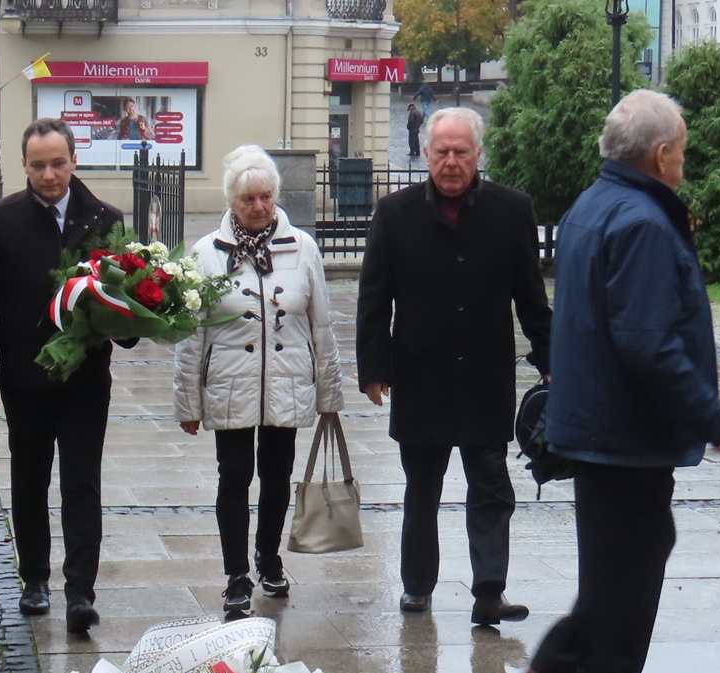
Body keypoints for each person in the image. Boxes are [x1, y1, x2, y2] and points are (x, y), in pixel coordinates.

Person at [527, 89, 720, 673]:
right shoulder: (643, 221)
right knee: (630, 567)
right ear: (659, 154)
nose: (684, 162)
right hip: (626, 430)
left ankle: (570, 670)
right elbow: (647, 342)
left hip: (599, 423)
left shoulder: (592, 205)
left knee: (621, 561)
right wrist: (713, 418)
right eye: (681, 151)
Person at [356, 106, 551, 626]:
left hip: (486, 376)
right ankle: (417, 586)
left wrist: (550, 359)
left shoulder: (512, 211)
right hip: (420, 376)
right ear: (425, 154)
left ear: (477, 154)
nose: (450, 161)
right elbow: (374, 298)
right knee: (422, 488)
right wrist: (373, 368)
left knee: (491, 487)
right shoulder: (394, 213)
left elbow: (531, 297)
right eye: (441, 151)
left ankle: (489, 591)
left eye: (460, 152)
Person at [0, 118, 126, 636]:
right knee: (29, 479)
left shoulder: (105, 218)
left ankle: (81, 590)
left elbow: (125, 296)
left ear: (75, 160)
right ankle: (34, 577)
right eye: (38, 166)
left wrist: (128, 324)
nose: (49, 175)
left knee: (82, 482)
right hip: (24, 376)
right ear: (24, 166)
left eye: (58, 163)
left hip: (85, 380)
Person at [174, 146, 343, 617]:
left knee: (276, 474)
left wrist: (329, 393)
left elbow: (321, 325)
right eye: (247, 198)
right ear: (231, 200)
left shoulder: (302, 247)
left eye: (266, 196)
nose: (258, 206)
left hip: (287, 380)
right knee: (233, 476)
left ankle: (268, 557)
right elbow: (191, 335)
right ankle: (235, 576)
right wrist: (188, 402)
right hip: (229, 383)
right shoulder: (206, 253)